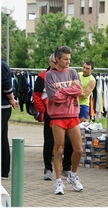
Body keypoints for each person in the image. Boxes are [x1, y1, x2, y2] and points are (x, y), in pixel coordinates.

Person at [45, 46, 84, 195]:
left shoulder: (73, 72)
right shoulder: (50, 75)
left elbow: (79, 90)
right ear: (57, 59)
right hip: (57, 117)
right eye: (65, 59)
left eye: (69, 58)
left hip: (73, 115)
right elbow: (53, 97)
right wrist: (69, 92)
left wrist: (61, 90)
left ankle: (73, 176)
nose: (68, 61)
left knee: (79, 149)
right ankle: (58, 181)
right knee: (59, 149)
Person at [33, 53, 73, 180]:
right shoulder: (42, 77)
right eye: (55, 63)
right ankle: (48, 168)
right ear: (51, 62)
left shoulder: (66, 75)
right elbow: (37, 96)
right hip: (51, 113)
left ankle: (66, 167)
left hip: (66, 113)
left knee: (68, 141)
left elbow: (74, 91)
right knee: (49, 140)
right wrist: (44, 110)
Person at [1, 57, 20, 179]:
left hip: (2, 107)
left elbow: (6, 85)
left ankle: (3, 170)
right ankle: (3, 170)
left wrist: (12, 99)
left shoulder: (1, 66)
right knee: (2, 138)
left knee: (2, 139)